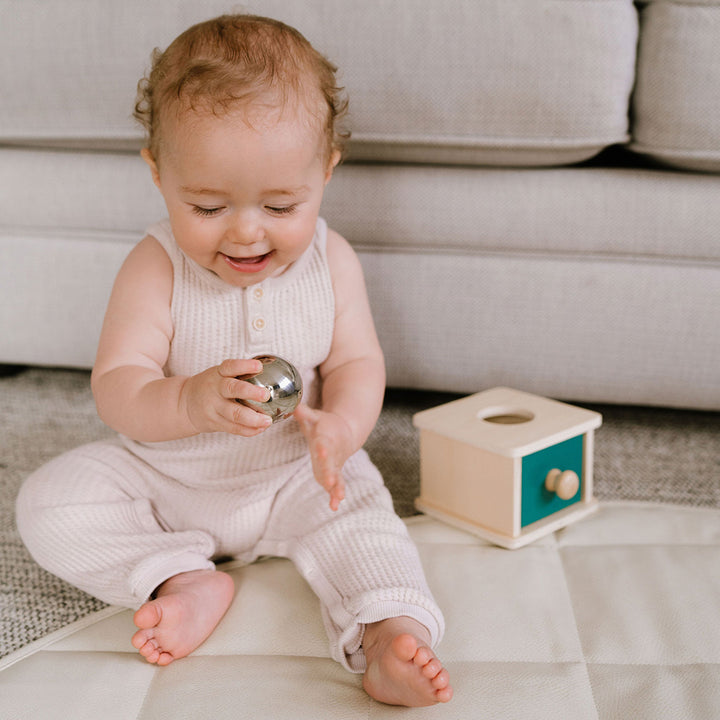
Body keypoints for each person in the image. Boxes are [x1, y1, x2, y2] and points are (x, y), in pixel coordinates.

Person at [15, 14, 452, 707]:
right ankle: (177, 576)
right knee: (50, 503)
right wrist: (187, 401)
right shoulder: (154, 268)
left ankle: (386, 630)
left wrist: (342, 428)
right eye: (209, 206)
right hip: (166, 481)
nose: (247, 231)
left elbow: (357, 362)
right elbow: (118, 386)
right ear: (159, 174)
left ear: (326, 170)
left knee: (364, 518)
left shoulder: (331, 261)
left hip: (295, 476)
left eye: (281, 205)